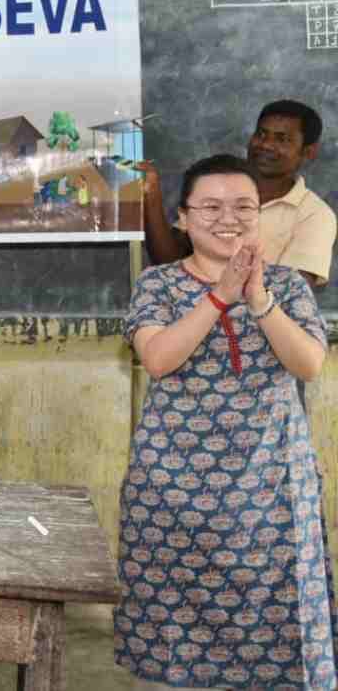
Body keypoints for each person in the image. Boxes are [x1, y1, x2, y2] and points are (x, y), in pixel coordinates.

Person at [117, 153, 336, 690]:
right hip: (173, 489)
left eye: (243, 207)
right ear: (183, 218)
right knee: (174, 639)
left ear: (259, 215)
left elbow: (309, 364)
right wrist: (219, 296)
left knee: (280, 625)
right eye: (210, 207)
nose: (228, 219)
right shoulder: (157, 285)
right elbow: (159, 359)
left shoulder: (286, 285)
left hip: (271, 487)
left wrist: (258, 298)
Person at [143, 100, 337, 287]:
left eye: (282, 139)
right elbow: (169, 263)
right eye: (261, 134)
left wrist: (222, 296)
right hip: (190, 308)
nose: (266, 145)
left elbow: (292, 295)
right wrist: (151, 195)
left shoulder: (315, 216)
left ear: (309, 151)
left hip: (254, 310)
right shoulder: (217, 187)